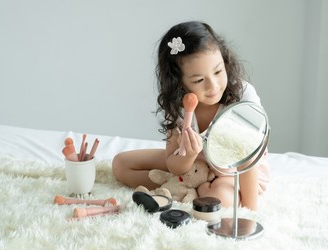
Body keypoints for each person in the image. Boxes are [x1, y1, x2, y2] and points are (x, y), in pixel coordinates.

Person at [112, 21, 269, 211]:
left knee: (221, 200)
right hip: (194, 164)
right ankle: (186, 185)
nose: (213, 86)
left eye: (218, 71)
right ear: (179, 83)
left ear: (225, 61)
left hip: (233, 170)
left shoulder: (242, 95)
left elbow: (248, 156)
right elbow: (173, 163)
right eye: (199, 80)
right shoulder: (180, 105)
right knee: (121, 164)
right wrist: (189, 155)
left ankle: (192, 187)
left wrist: (251, 210)